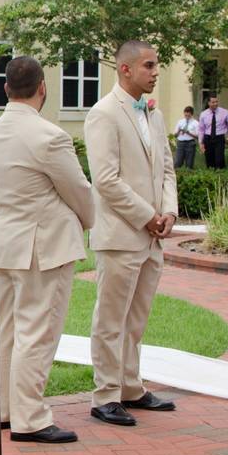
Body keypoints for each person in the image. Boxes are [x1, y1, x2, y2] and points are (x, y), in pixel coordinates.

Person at [0, 56, 94, 443]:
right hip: (42, 248)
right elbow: (79, 190)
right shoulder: (50, 136)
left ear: (5, 90)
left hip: (1, 245)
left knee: (6, 331)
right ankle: (30, 417)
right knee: (37, 332)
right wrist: (87, 220)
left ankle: (4, 409)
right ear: (43, 87)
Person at [84, 40, 178, 426]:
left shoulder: (154, 116)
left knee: (136, 318)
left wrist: (169, 211)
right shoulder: (104, 113)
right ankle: (105, 395)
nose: (156, 72)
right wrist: (147, 216)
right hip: (122, 234)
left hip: (152, 235)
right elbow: (105, 180)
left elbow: (167, 169)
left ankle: (130, 386)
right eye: (149, 66)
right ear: (125, 69)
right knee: (110, 319)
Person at [198, 94, 228, 169]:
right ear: (208, 103)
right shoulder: (203, 114)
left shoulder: (224, 112)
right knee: (209, 160)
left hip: (219, 138)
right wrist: (201, 143)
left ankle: (221, 176)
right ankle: (211, 177)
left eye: (216, 102)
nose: (215, 104)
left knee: (219, 160)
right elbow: (201, 129)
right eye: (213, 102)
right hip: (207, 138)